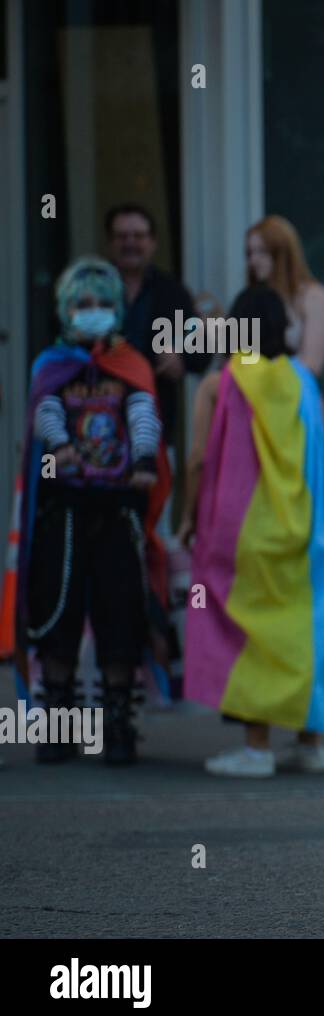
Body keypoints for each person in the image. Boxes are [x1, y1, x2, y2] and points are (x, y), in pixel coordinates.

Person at [184, 285, 324, 777]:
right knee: (307, 633)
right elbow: (323, 454)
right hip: (309, 533)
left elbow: (198, 458)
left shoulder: (220, 384)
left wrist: (186, 518)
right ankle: (310, 743)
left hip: (243, 535)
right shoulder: (306, 383)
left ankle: (256, 746)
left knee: (249, 635)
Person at [14, 257, 171, 765]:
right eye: (84, 304)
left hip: (118, 506)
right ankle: (59, 726)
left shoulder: (132, 364)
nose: (94, 312)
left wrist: (145, 458)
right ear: (65, 309)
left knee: (120, 611)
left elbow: (143, 412)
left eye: (104, 303)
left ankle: (118, 725)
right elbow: (45, 411)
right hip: (64, 506)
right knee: (57, 614)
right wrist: (58, 448)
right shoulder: (50, 365)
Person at [104, 203, 205, 445]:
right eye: (122, 236)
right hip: (98, 418)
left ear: (152, 242)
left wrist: (180, 357)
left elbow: (200, 348)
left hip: (154, 421)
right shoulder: (92, 289)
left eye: (138, 236)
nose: (130, 243)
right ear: (110, 242)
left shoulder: (171, 291)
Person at [245, 215, 324, 375]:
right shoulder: (253, 299)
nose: (253, 261)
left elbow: (313, 365)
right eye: (250, 253)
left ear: (282, 252)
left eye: (262, 252)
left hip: (295, 392)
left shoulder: (314, 296)